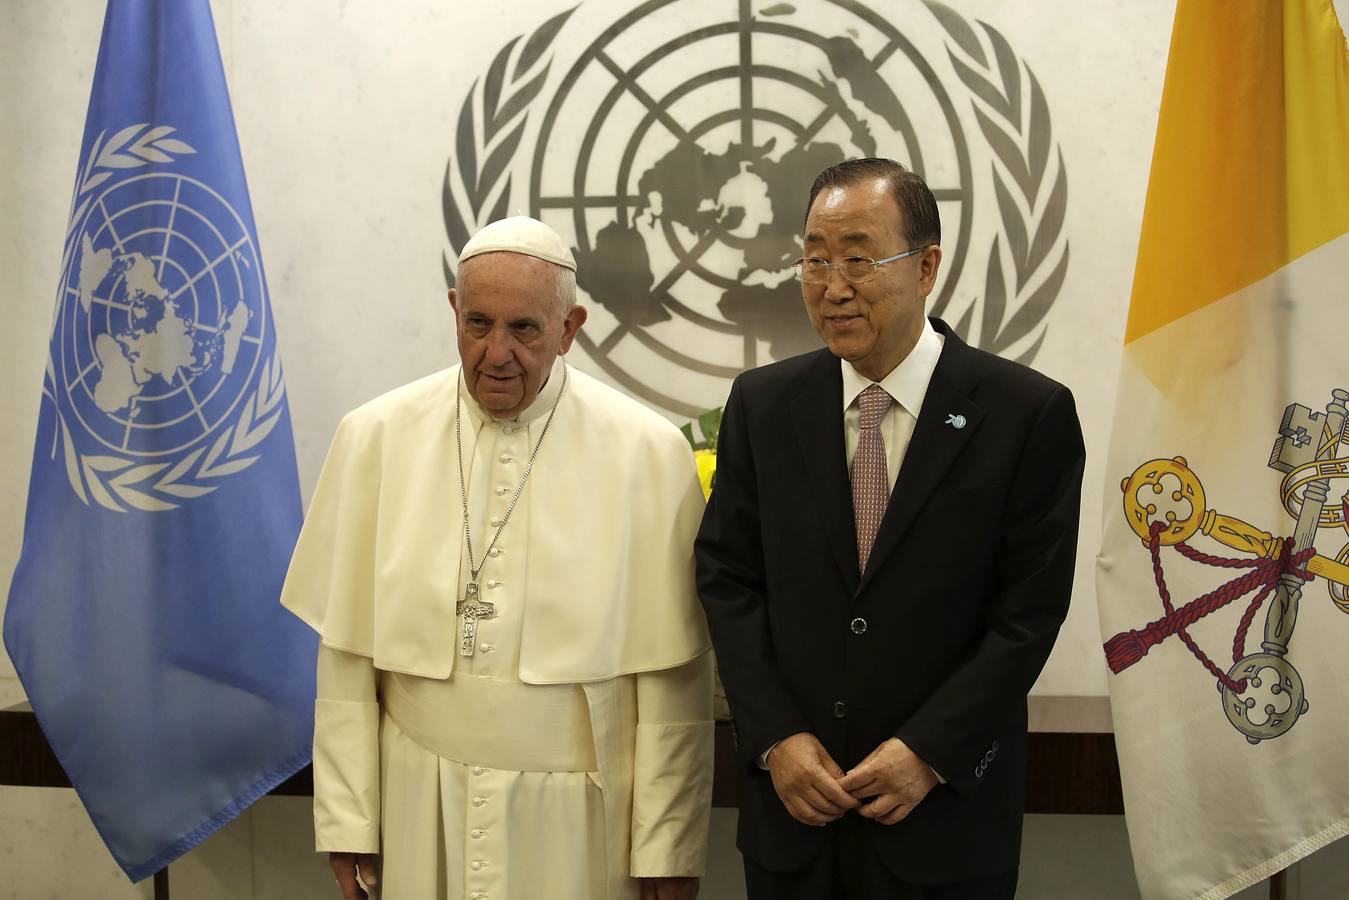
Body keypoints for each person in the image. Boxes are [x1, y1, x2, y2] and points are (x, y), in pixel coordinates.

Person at [281, 216, 713, 900]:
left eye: (524, 329)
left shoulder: (645, 453)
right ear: (454, 311)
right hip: (417, 798)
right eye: (477, 324)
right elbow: (345, 660)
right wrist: (348, 820)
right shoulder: (375, 437)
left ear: (570, 328)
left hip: (576, 819)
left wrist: (667, 846)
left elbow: (670, 684)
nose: (496, 353)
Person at [695, 158, 1085, 899]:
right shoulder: (762, 406)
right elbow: (728, 579)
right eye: (814, 259)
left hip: (943, 822)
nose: (832, 285)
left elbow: (1026, 615)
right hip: (795, 820)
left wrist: (928, 751)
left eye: (858, 257)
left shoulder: (1023, 414)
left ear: (926, 266)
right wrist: (775, 736)